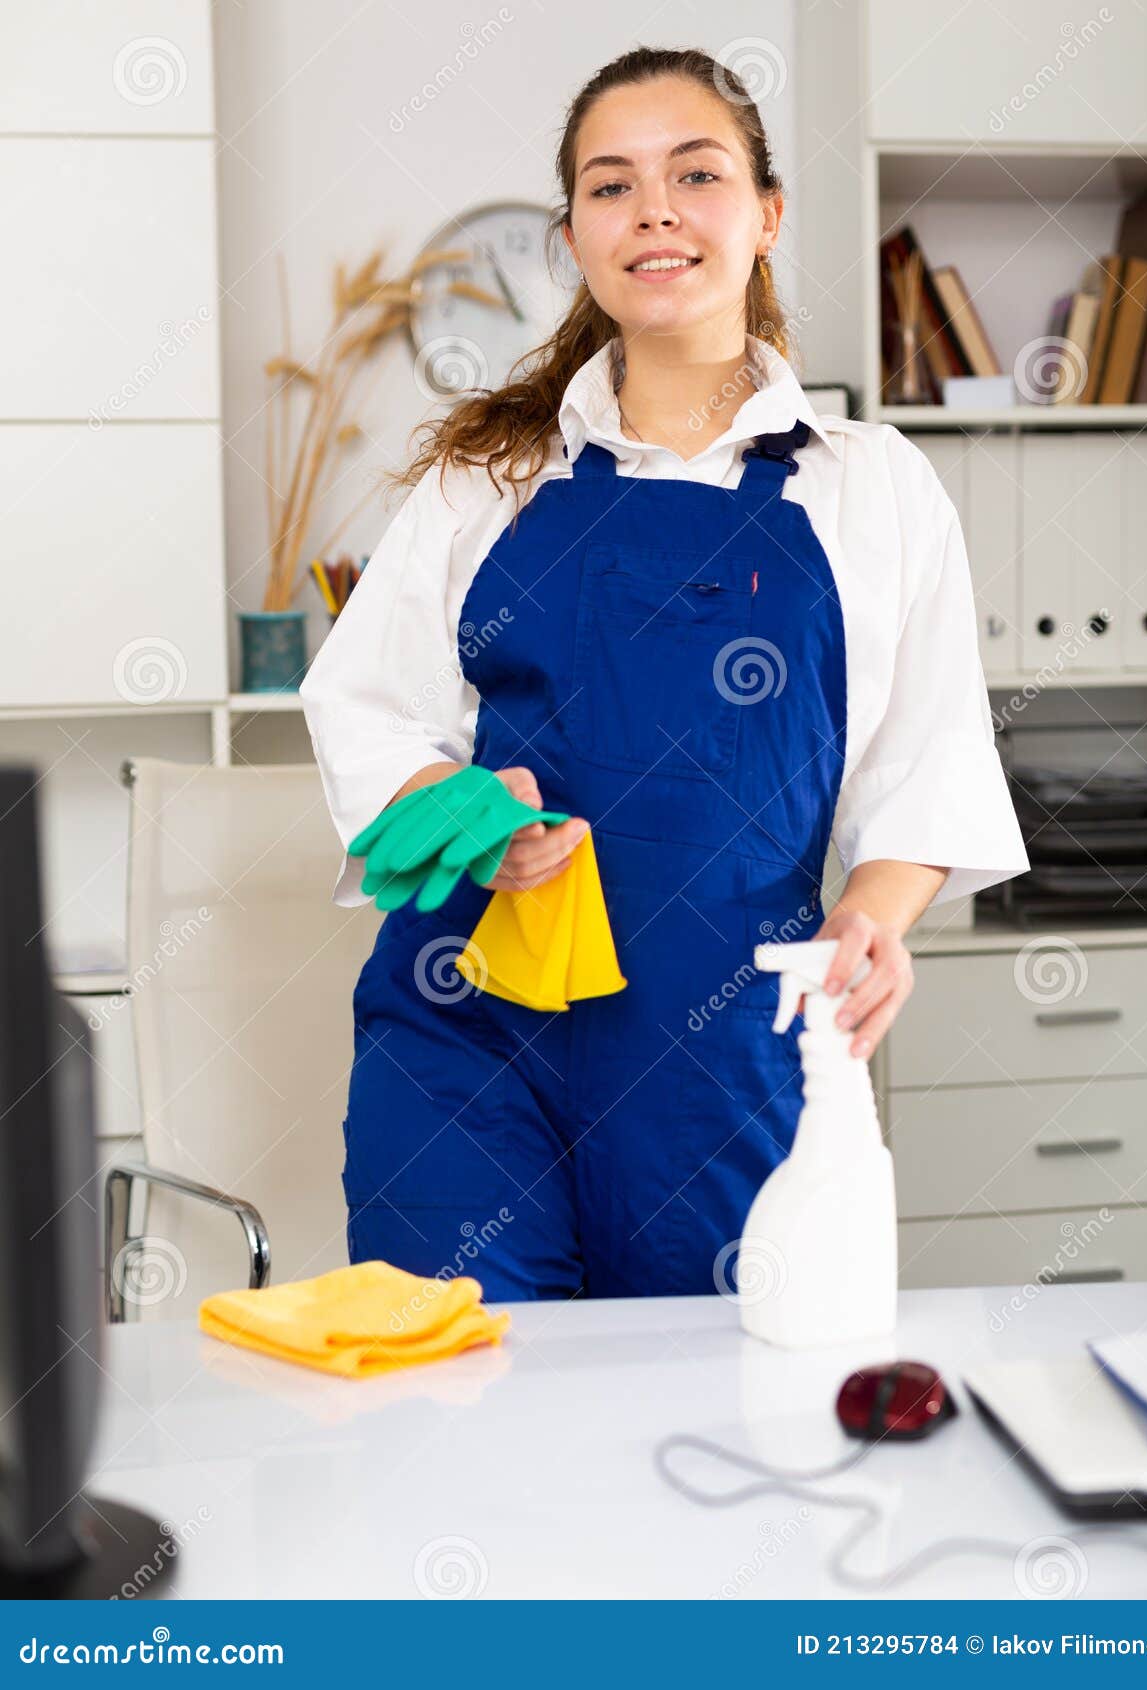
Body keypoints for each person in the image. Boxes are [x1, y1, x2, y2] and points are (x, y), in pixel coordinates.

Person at [300, 45, 1029, 1303]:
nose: (653, 210)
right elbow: (365, 707)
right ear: (575, 236)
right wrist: (476, 822)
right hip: (467, 1026)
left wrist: (873, 921)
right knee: (466, 1405)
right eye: (609, 185)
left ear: (764, 216)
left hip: (720, 1052)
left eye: (695, 173)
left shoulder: (868, 484)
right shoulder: (488, 476)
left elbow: (930, 758)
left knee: (707, 1422)